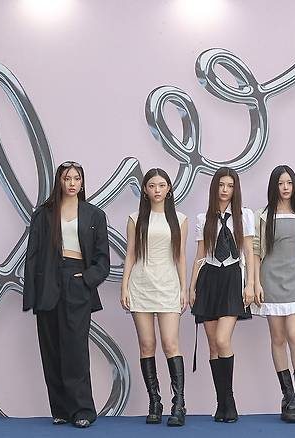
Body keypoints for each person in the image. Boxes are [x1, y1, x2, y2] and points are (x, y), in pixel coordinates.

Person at [23, 161, 110, 428]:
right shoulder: (43, 214)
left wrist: (86, 280)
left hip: (77, 282)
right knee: (51, 349)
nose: (72, 183)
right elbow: (32, 257)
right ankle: (60, 410)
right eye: (67, 178)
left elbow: (102, 260)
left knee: (75, 350)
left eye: (76, 178)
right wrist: (32, 296)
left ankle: (83, 410)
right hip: (49, 282)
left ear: (82, 183)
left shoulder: (94, 215)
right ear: (59, 182)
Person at [252, 165, 295, 423]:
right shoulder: (262, 216)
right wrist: (255, 283)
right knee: (278, 338)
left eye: (289, 183)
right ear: (274, 186)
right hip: (270, 280)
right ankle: (288, 394)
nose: (285, 187)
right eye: (281, 183)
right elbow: (255, 251)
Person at [121, 168, 188, 427]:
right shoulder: (135, 218)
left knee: (171, 343)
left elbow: (180, 256)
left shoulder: (179, 219)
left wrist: (184, 289)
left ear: (169, 189)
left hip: (168, 286)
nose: (157, 190)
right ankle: (155, 402)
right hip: (141, 285)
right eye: (152, 185)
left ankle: (178, 404)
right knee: (147, 345)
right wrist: (124, 286)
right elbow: (130, 254)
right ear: (145, 190)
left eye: (161, 185)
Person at [189, 167, 255, 423]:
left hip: (232, 278)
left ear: (235, 189)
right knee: (213, 345)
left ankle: (230, 400)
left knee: (222, 339)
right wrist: (192, 287)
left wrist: (250, 284)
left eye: (230, 185)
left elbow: (249, 251)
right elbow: (200, 255)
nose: (225, 190)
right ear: (214, 187)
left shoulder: (244, 215)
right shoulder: (203, 218)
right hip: (209, 278)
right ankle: (221, 404)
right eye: (221, 185)